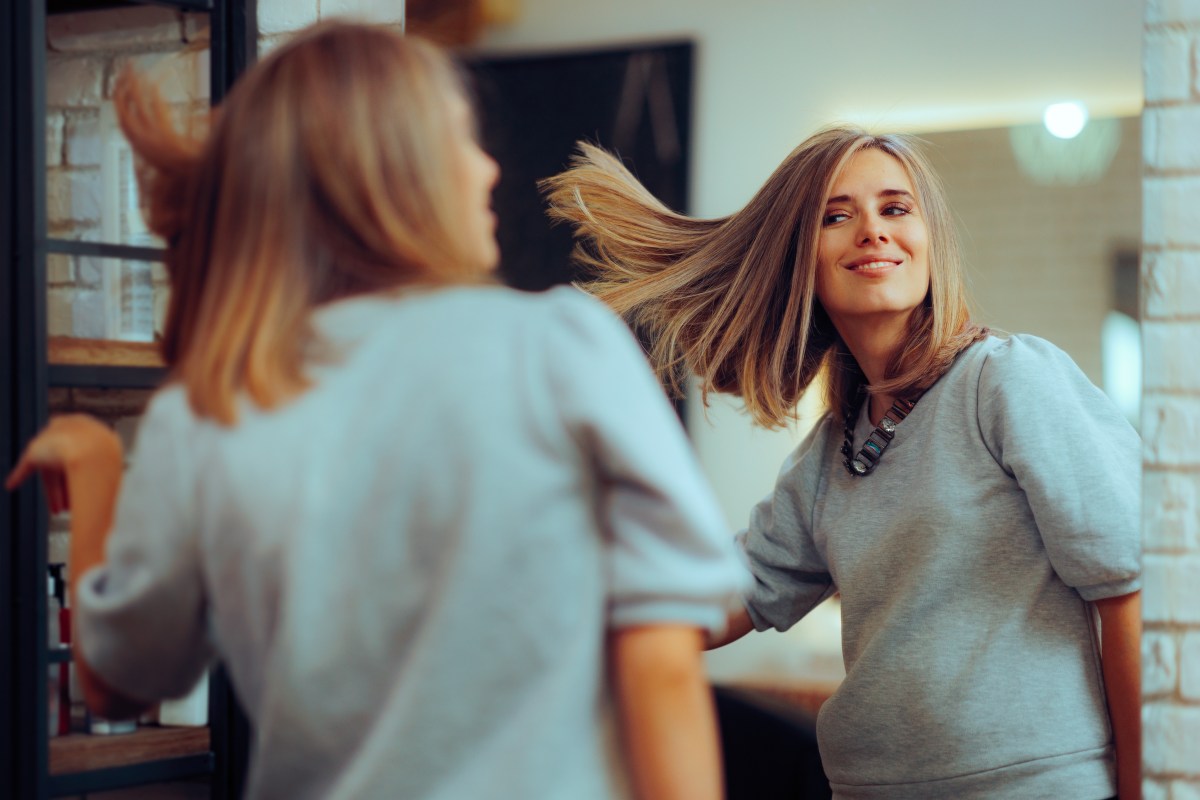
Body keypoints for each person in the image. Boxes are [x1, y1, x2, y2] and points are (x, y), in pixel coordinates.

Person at [5, 22, 749, 800]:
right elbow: (661, 664)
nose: (487, 167)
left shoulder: (204, 412)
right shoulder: (561, 348)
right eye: (462, 140)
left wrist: (93, 470)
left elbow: (120, 683)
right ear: (396, 172)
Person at [543, 128, 1142, 800]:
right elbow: (724, 598)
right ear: (802, 258)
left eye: (895, 209)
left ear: (930, 240)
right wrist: (562, 601)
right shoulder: (830, 454)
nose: (871, 232)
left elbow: (1128, 588)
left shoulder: (1006, 383)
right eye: (836, 215)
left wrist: (1144, 788)